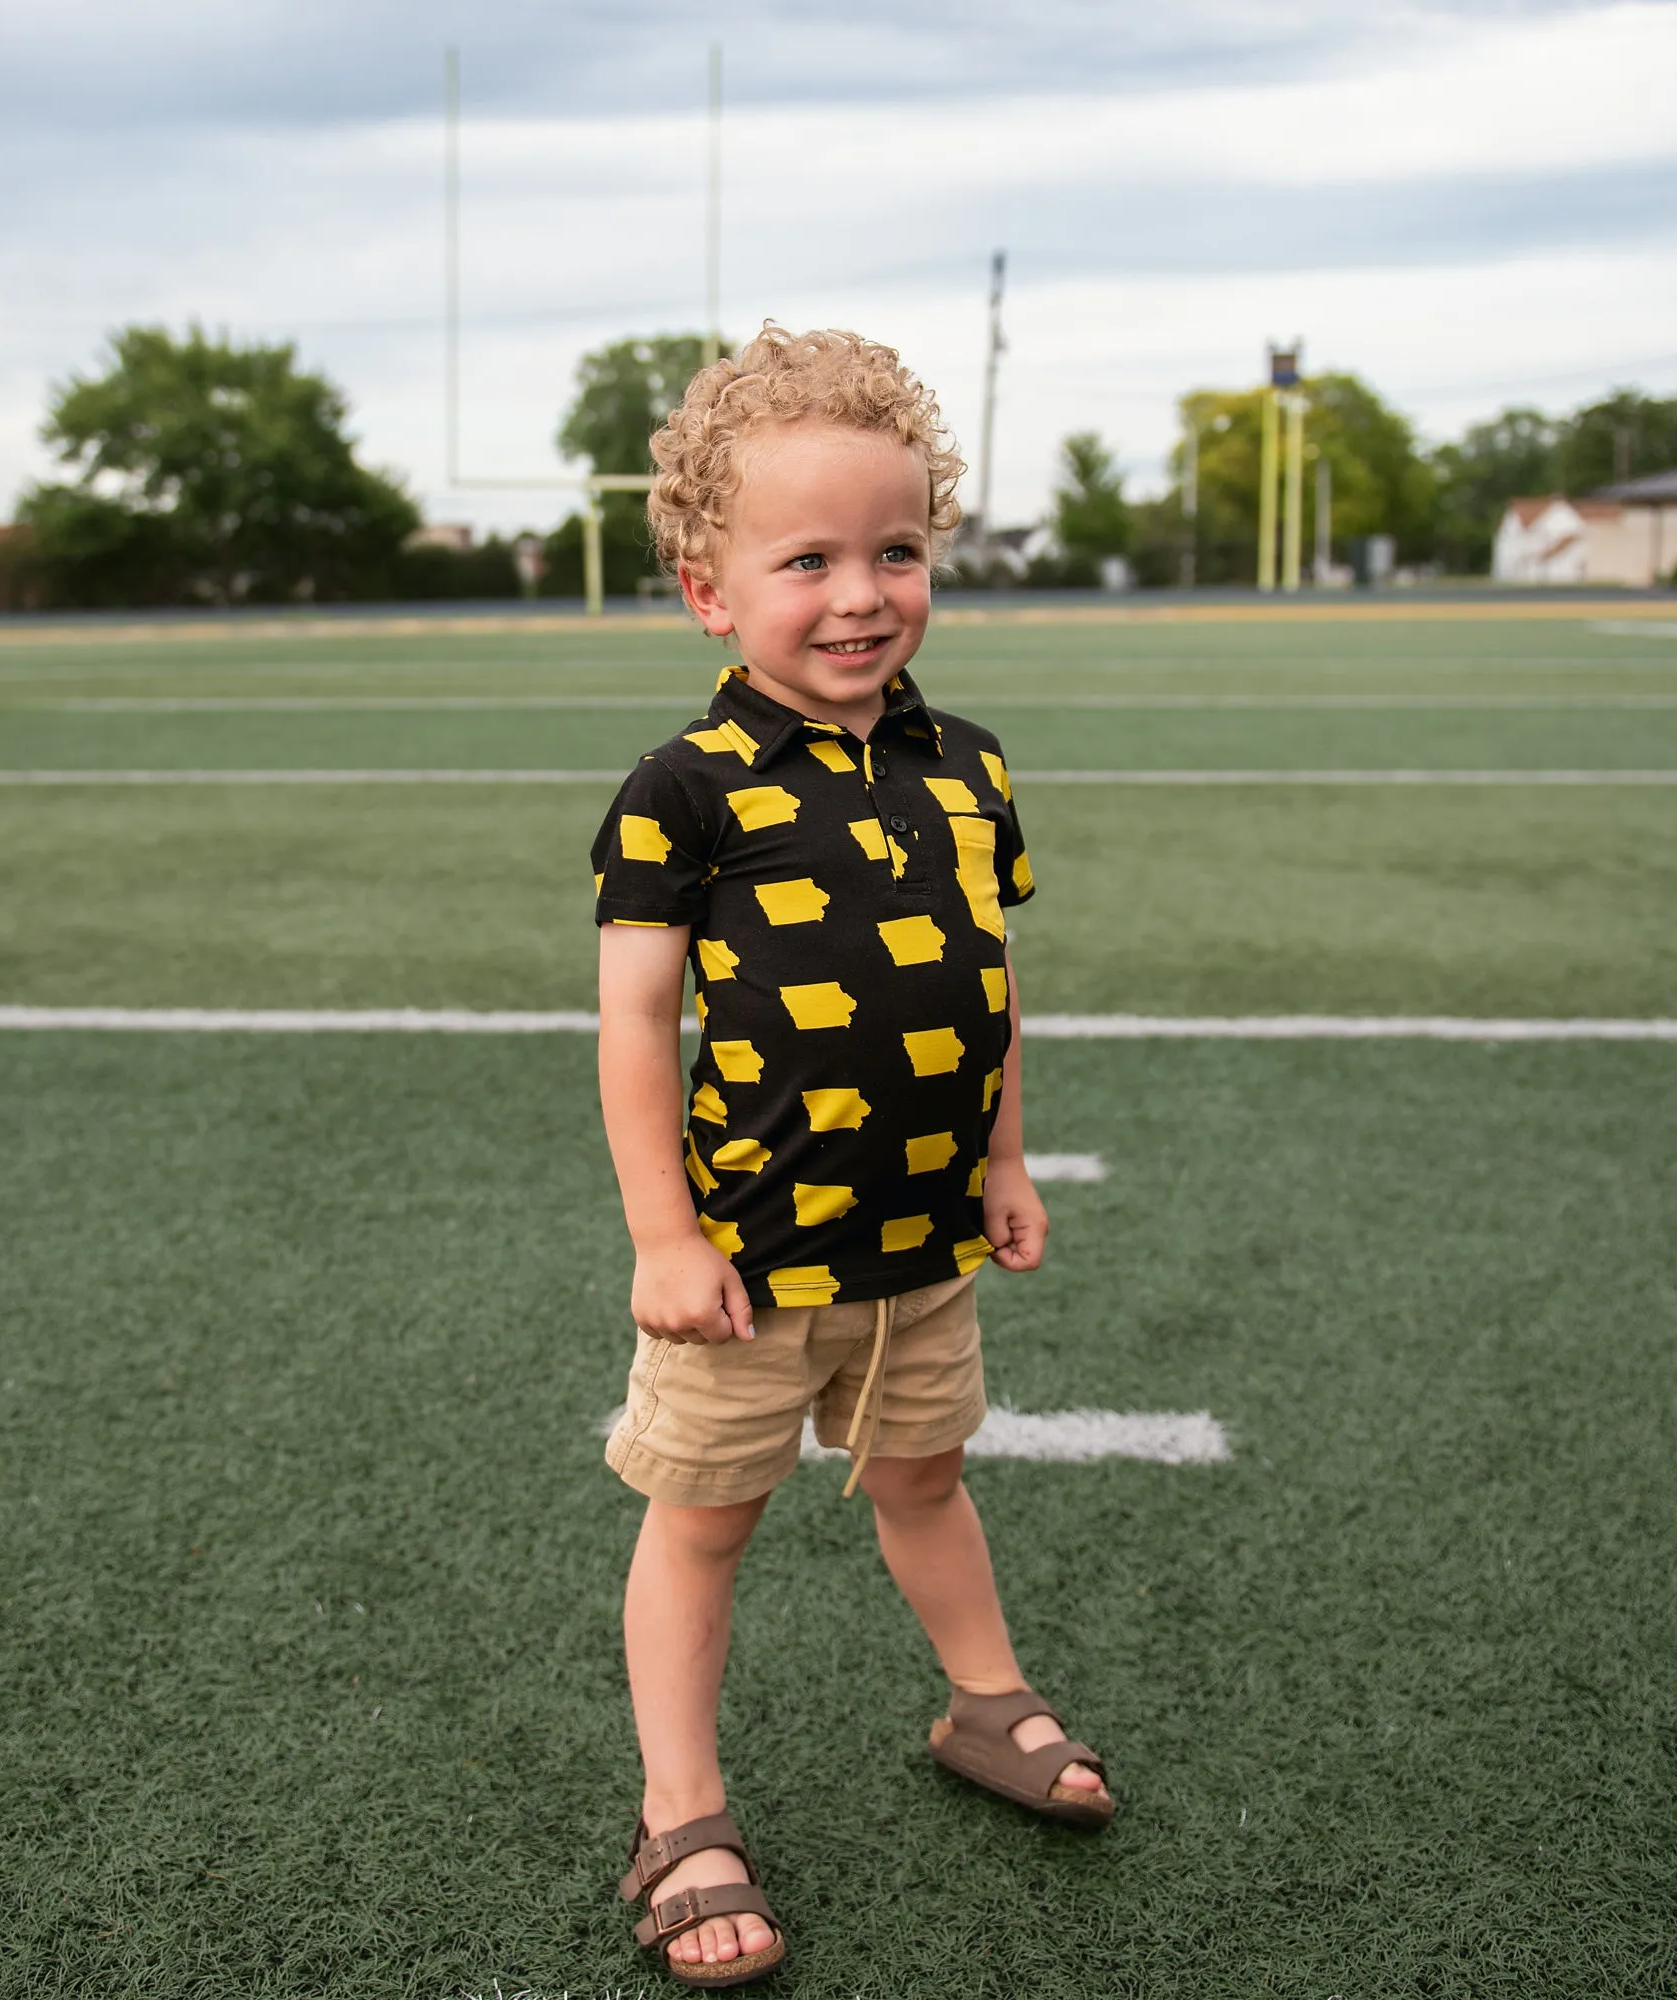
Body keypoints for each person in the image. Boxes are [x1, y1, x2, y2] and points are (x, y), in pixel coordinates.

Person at [591, 326, 1113, 1989]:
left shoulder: (969, 766)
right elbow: (632, 1031)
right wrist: (666, 1240)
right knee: (703, 1524)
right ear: (708, 591)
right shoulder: (685, 790)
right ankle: (683, 1809)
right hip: (751, 1263)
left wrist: (1006, 1163)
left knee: (924, 1479)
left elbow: (988, 983)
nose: (861, 593)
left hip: (920, 1246)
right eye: (805, 559)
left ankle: (982, 1700)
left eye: (897, 550)